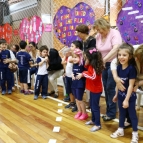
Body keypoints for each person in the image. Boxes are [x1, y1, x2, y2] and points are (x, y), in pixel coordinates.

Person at [93, 18, 122, 121]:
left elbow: (116, 49)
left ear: (105, 26)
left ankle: (111, 113)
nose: (99, 32)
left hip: (114, 63)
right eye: (97, 30)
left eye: (100, 29)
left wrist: (104, 60)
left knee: (110, 87)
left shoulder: (115, 33)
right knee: (105, 86)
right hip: (104, 64)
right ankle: (110, 109)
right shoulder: (98, 36)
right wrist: (101, 61)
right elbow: (98, 51)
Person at [110, 43, 138, 143]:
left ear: (130, 56)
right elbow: (118, 84)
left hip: (129, 98)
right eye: (119, 55)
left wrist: (126, 100)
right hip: (121, 96)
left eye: (124, 55)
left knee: (132, 115)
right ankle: (120, 129)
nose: (121, 57)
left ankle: (135, 134)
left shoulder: (131, 69)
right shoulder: (118, 68)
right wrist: (116, 94)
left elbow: (131, 85)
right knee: (121, 114)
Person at [77, 47, 104, 131]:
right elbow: (86, 67)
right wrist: (86, 63)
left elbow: (93, 76)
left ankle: (98, 124)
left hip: (96, 90)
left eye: (86, 57)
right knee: (92, 105)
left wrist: (83, 74)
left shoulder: (95, 66)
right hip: (92, 89)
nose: (85, 58)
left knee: (95, 107)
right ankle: (93, 120)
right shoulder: (90, 65)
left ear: (91, 58)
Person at [76, 24, 96, 108]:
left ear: (82, 33)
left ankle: (93, 103)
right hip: (86, 64)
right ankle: (89, 102)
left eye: (78, 32)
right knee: (87, 84)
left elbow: (92, 52)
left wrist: (86, 57)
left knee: (92, 83)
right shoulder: (83, 41)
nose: (77, 34)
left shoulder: (92, 40)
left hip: (91, 64)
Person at [64, 41, 82, 112]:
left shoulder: (77, 57)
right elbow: (63, 62)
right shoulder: (70, 56)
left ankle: (77, 105)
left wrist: (71, 56)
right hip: (68, 75)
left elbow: (72, 61)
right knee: (69, 91)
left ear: (77, 48)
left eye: (72, 46)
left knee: (75, 91)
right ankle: (72, 103)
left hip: (73, 77)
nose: (70, 48)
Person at [71, 48, 88, 120]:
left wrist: (82, 74)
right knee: (76, 99)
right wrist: (72, 74)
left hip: (80, 84)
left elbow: (87, 72)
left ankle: (84, 113)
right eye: (73, 57)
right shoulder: (74, 65)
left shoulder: (83, 64)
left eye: (76, 57)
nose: (74, 59)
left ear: (80, 57)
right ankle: (79, 111)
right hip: (74, 83)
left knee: (80, 99)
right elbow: (73, 72)